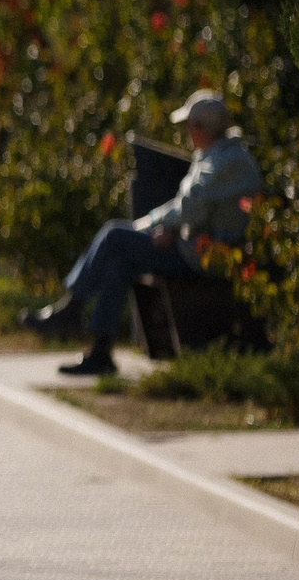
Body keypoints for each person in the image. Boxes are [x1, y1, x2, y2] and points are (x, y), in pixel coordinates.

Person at [26, 89, 264, 377]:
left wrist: (152, 223)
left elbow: (190, 209)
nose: (186, 133)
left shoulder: (227, 161)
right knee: (121, 263)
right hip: (197, 247)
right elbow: (198, 209)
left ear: (199, 127)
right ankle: (100, 351)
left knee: (115, 234)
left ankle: (72, 307)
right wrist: (168, 226)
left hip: (207, 257)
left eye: (189, 126)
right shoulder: (218, 155)